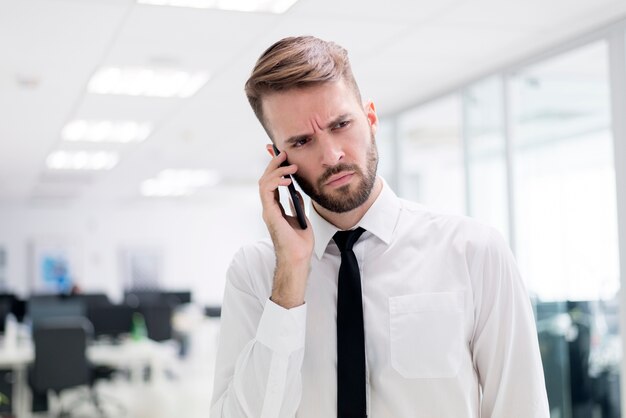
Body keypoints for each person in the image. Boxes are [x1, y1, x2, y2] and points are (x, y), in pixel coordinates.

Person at [210, 36, 549, 418]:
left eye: (341, 124)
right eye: (303, 141)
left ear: (370, 118)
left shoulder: (473, 251)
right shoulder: (255, 273)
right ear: (278, 159)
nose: (332, 155)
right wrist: (289, 274)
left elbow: (522, 406)